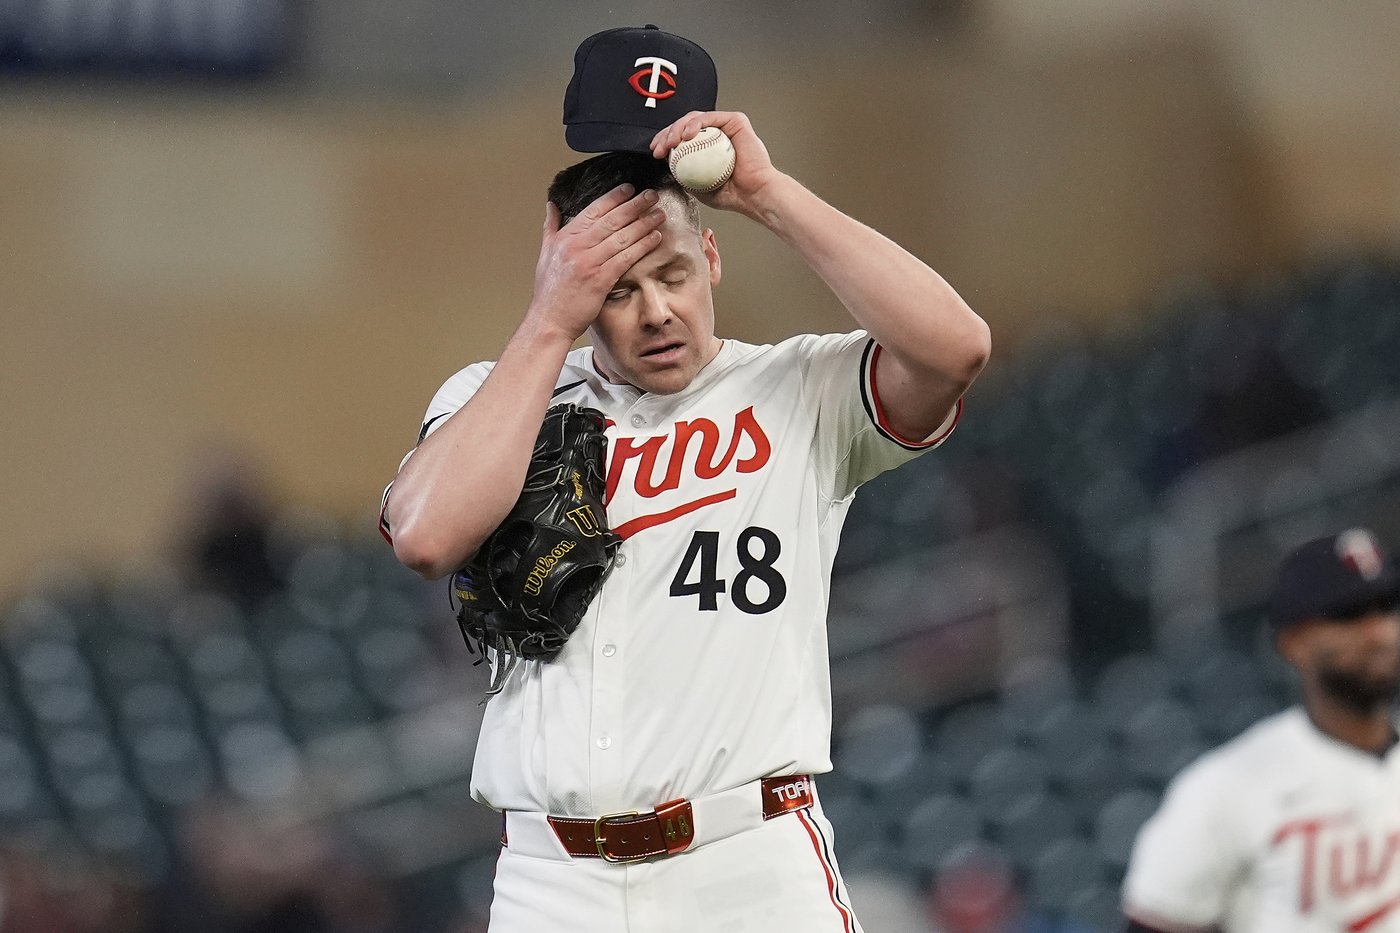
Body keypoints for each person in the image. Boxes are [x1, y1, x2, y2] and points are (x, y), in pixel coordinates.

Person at [379, 25, 990, 932]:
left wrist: (771, 196)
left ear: (711, 260)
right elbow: (427, 535)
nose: (658, 311)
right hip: (556, 879)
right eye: (619, 291)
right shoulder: (496, 396)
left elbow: (958, 346)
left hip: (746, 862)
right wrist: (548, 322)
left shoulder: (798, 388)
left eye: (673, 274)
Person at [1120, 527, 1400, 933]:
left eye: (1388, 607)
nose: (1380, 632)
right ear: (1292, 643)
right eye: (1349, 614)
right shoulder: (1225, 786)